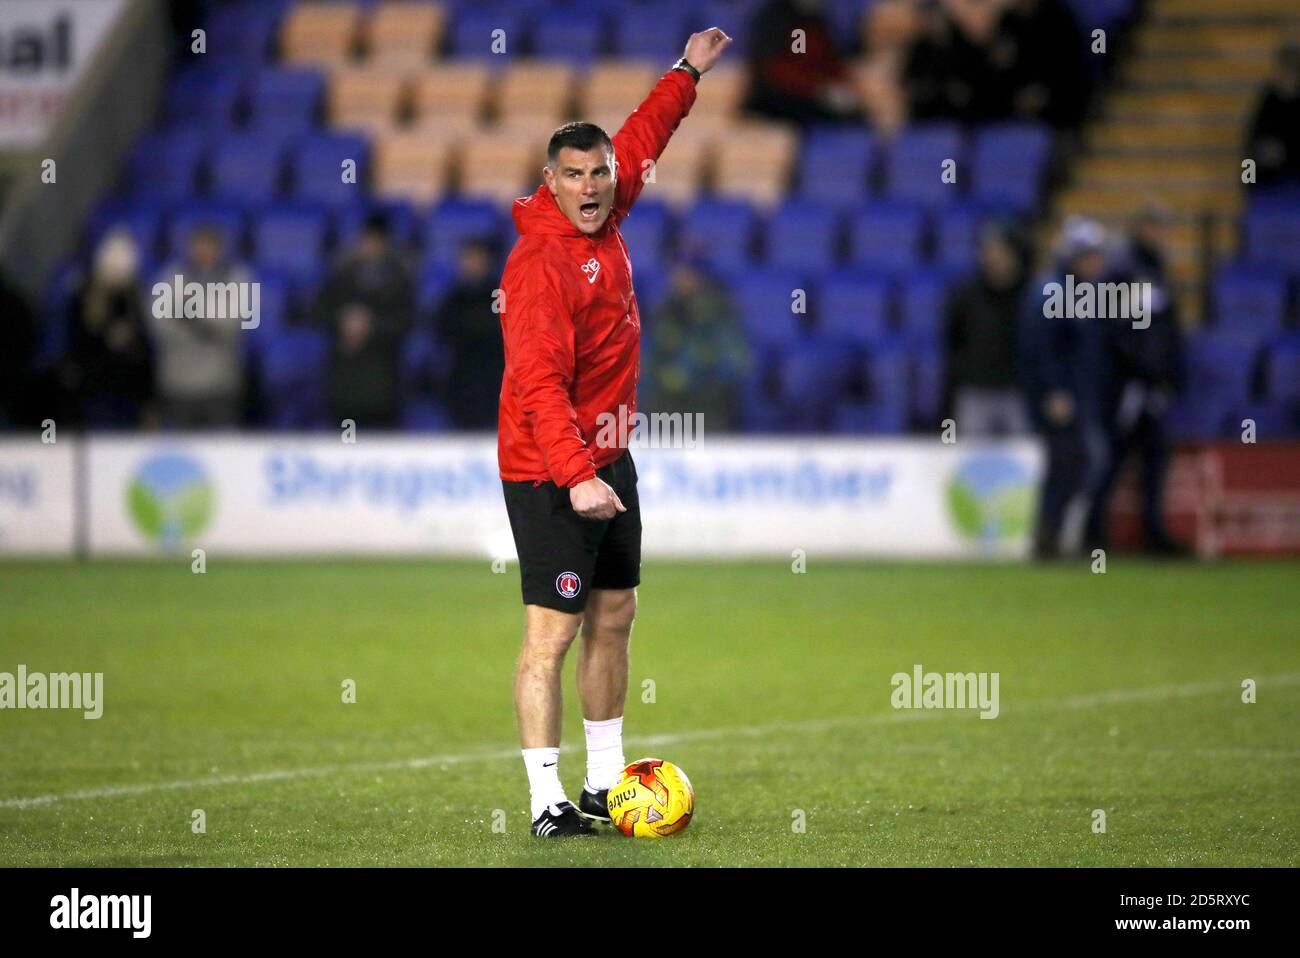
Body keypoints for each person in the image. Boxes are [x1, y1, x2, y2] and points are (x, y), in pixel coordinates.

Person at [497, 28, 732, 838]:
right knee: (551, 634)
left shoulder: (608, 207)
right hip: (550, 468)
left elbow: (641, 136)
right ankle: (544, 801)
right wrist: (575, 476)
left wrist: (687, 71)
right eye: (577, 176)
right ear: (550, 185)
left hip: (609, 457)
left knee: (616, 614)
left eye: (601, 174)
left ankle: (603, 782)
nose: (594, 186)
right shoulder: (539, 268)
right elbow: (536, 386)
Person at [1083, 205, 1187, 554]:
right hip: (1126, 385)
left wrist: (1167, 373)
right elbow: (1118, 331)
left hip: (1149, 384)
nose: (1159, 235)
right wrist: (1138, 370)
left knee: (1154, 457)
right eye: (1154, 227)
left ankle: (1152, 532)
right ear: (1141, 228)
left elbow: (1165, 329)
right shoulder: (1123, 271)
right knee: (1113, 457)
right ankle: (1093, 533)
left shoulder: (1154, 271)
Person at [1019, 217, 1109, 559]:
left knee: (1074, 463)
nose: (1096, 262)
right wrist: (1054, 391)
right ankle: (1047, 536)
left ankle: (1053, 535)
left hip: (1078, 394)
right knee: (1066, 463)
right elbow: (1041, 348)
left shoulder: (1078, 291)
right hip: (1060, 398)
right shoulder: (1051, 291)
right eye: (1089, 255)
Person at [314, 211, 415, 429]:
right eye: (368, 239)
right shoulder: (341, 275)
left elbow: (407, 321)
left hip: (382, 382)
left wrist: (371, 325)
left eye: (376, 240)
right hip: (344, 382)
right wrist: (343, 321)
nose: (371, 246)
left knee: (379, 449)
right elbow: (317, 313)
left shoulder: (399, 278)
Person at [150, 224, 250, 429]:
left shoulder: (236, 278)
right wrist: (204, 322)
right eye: (199, 246)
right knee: (181, 450)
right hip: (178, 381)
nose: (204, 251)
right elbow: (159, 322)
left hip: (220, 382)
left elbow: (232, 322)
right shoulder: (170, 277)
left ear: (219, 249)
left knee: (221, 449)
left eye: (209, 246)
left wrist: (188, 312)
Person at [943, 220, 1031, 436]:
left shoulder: (1031, 295)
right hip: (975, 390)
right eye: (988, 250)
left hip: (1018, 390)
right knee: (971, 461)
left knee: (1022, 459)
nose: (993, 256)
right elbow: (953, 340)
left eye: (1000, 250)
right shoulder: (965, 294)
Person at [60, 229, 155, 429]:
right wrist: (105, 337)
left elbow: (146, 347)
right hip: (95, 391)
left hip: (129, 391)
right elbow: (76, 343)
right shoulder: (84, 298)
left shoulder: (135, 299)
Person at [644, 257, 749, 431]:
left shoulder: (720, 314)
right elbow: (653, 357)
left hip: (710, 403)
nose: (680, 279)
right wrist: (667, 376)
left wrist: (691, 373)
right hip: (668, 405)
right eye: (677, 274)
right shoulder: (666, 312)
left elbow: (735, 362)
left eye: (687, 274)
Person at [743, 0, 863, 125]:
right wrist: (819, 89)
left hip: (817, 103)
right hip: (777, 107)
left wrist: (845, 83)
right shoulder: (774, 17)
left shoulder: (819, 16)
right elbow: (773, 68)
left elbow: (827, 61)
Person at [436, 239, 505, 430]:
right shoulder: (453, 297)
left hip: (493, 377)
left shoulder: (498, 294)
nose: (473, 263)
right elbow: (443, 330)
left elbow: (500, 331)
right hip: (461, 376)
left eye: (478, 258)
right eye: (469, 258)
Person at [1245, 44, 1300, 188]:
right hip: (1270, 173)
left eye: (1292, 71)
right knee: (1247, 161)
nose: (1288, 76)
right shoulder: (1268, 99)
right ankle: (1251, 196)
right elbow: (1252, 140)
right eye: (1284, 70)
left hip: (1294, 170)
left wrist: (1285, 151)